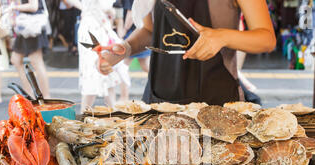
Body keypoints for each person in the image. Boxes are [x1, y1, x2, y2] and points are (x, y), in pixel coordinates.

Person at [99, 0, 276, 105]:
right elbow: (150, 30)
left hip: (218, 105)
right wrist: (124, 49)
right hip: (160, 102)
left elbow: (267, 39)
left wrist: (223, 37)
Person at [67, 0, 131, 111]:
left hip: (98, 28)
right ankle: (86, 113)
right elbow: (105, 6)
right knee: (96, 71)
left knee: (103, 70)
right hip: (93, 30)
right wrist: (89, 9)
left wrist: (86, 9)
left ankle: (111, 112)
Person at [10, 0, 51, 99]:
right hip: (27, 26)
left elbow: (33, 6)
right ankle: (30, 95)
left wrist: (14, 7)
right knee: (16, 60)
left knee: (36, 62)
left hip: (31, 26)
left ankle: (46, 97)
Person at [118, 0, 151, 101]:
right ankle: (162, 83)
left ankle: (124, 96)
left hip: (134, 34)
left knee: (122, 66)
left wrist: (123, 30)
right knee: (145, 65)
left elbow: (130, 13)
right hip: (142, 31)